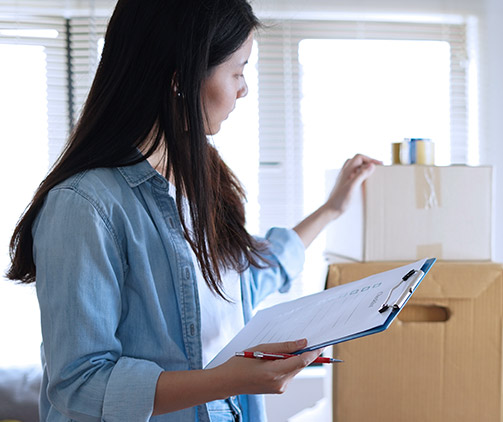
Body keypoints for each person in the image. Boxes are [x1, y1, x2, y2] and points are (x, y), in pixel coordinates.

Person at [5, 0, 380, 420]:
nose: (244, 88)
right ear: (180, 79)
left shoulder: (200, 183)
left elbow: (245, 282)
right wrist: (233, 379)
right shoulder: (84, 206)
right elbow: (80, 383)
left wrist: (332, 208)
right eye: (237, 71)